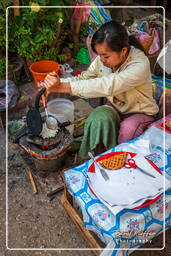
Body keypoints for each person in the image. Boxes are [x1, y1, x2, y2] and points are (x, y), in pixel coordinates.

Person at [44, 21, 159, 159]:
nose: (102, 60)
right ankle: (97, 160)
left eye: (106, 56)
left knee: (128, 129)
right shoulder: (102, 60)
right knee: (98, 117)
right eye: (99, 55)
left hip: (140, 112)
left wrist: (62, 87)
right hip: (116, 107)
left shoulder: (140, 63)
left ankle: (123, 168)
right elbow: (85, 78)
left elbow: (109, 84)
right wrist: (56, 83)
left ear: (123, 51)